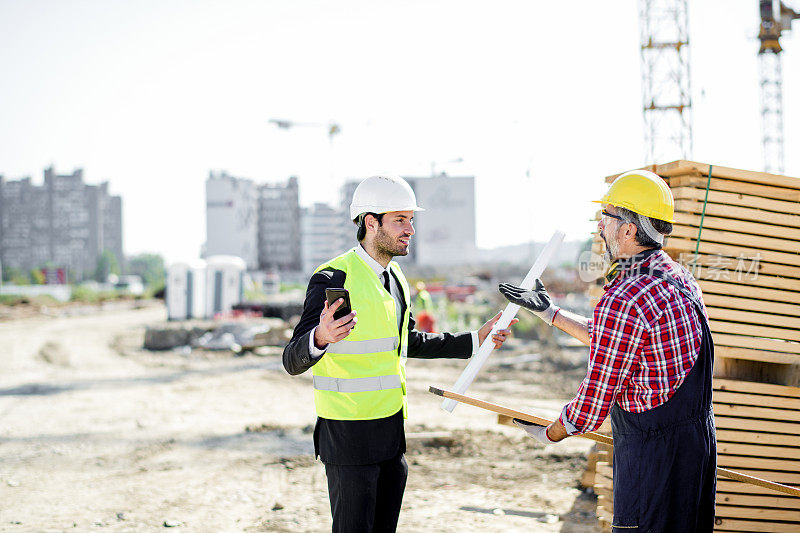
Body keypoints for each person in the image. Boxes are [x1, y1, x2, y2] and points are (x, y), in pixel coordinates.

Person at [283, 174, 515, 533]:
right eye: (400, 220)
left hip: (391, 436)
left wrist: (475, 339)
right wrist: (320, 336)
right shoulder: (333, 277)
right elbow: (292, 358)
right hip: (348, 439)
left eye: (411, 220)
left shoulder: (396, 278)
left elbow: (409, 341)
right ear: (370, 222)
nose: (410, 229)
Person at [500, 170, 716, 532]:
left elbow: (592, 405)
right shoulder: (678, 277)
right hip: (695, 449)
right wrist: (550, 312)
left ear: (629, 230)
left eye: (607, 216)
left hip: (653, 461)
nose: (600, 226)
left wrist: (550, 432)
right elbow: (623, 343)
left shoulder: (625, 296)